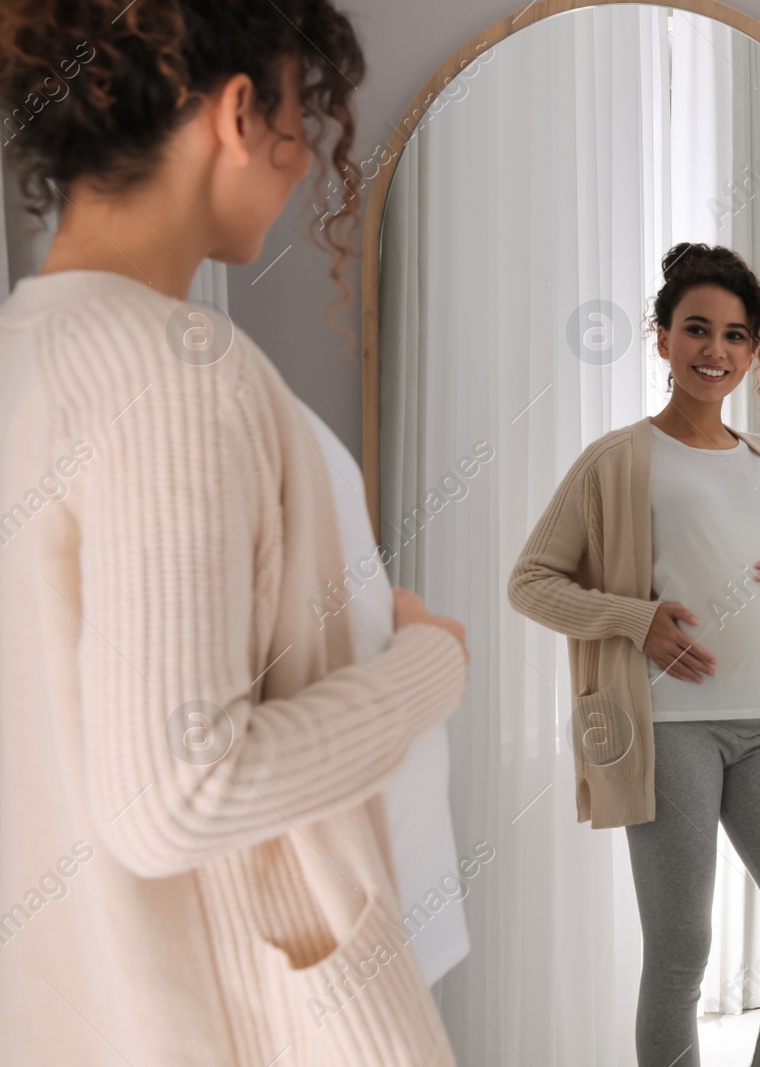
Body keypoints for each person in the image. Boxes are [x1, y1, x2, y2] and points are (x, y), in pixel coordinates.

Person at [0, 3, 470, 1064]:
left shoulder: (26, 354)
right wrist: (430, 663)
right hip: (219, 1022)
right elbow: (179, 794)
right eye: (300, 117)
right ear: (237, 110)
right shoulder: (173, 376)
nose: (306, 161)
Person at [506, 242, 760, 1066]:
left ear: (753, 351)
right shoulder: (618, 460)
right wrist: (634, 617)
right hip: (671, 731)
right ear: (660, 338)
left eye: (737, 336)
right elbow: (531, 581)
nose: (716, 350)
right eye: (696, 329)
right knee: (679, 956)